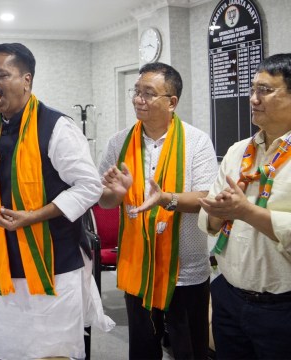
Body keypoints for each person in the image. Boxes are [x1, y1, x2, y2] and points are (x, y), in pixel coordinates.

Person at [0, 42, 113, 360]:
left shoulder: (57, 127)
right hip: (8, 261)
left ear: (26, 80)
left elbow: (88, 187)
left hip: (53, 264)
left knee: (50, 351)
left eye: (1, 74)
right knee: (10, 349)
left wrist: (34, 216)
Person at [99, 62, 218, 359]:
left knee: (190, 348)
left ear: (172, 102)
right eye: (136, 91)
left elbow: (206, 196)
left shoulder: (197, 141)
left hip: (184, 268)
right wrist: (114, 194)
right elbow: (104, 200)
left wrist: (166, 199)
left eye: (149, 93)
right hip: (139, 266)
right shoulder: (119, 142)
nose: (139, 99)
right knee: (142, 349)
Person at [198, 53, 291, 359]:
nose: (253, 98)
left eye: (265, 90)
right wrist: (217, 210)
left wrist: (245, 212)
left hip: (281, 307)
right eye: (252, 89)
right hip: (229, 295)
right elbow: (208, 216)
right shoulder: (239, 151)